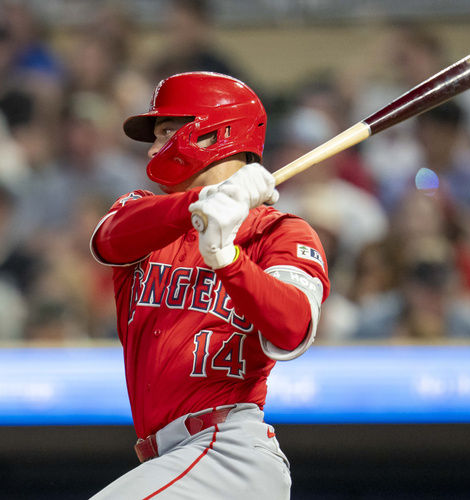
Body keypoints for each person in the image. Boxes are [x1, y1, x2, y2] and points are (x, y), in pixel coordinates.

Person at [89, 72, 330, 498]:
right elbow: (109, 239)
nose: (152, 148)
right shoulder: (145, 212)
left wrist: (230, 262)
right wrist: (202, 203)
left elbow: (293, 330)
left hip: (228, 454)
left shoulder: (281, 233)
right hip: (171, 459)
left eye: (165, 132)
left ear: (211, 134)